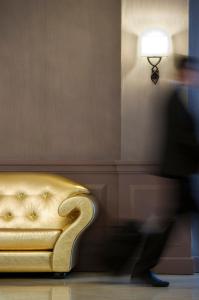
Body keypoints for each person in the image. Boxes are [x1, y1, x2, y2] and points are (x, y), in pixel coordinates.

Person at [130, 55, 199, 287]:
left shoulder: (175, 97)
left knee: (170, 221)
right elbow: (181, 139)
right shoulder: (172, 97)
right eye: (194, 73)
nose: (196, 77)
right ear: (185, 73)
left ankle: (142, 269)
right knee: (169, 222)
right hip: (178, 172)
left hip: (180, 172)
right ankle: (141, 269)